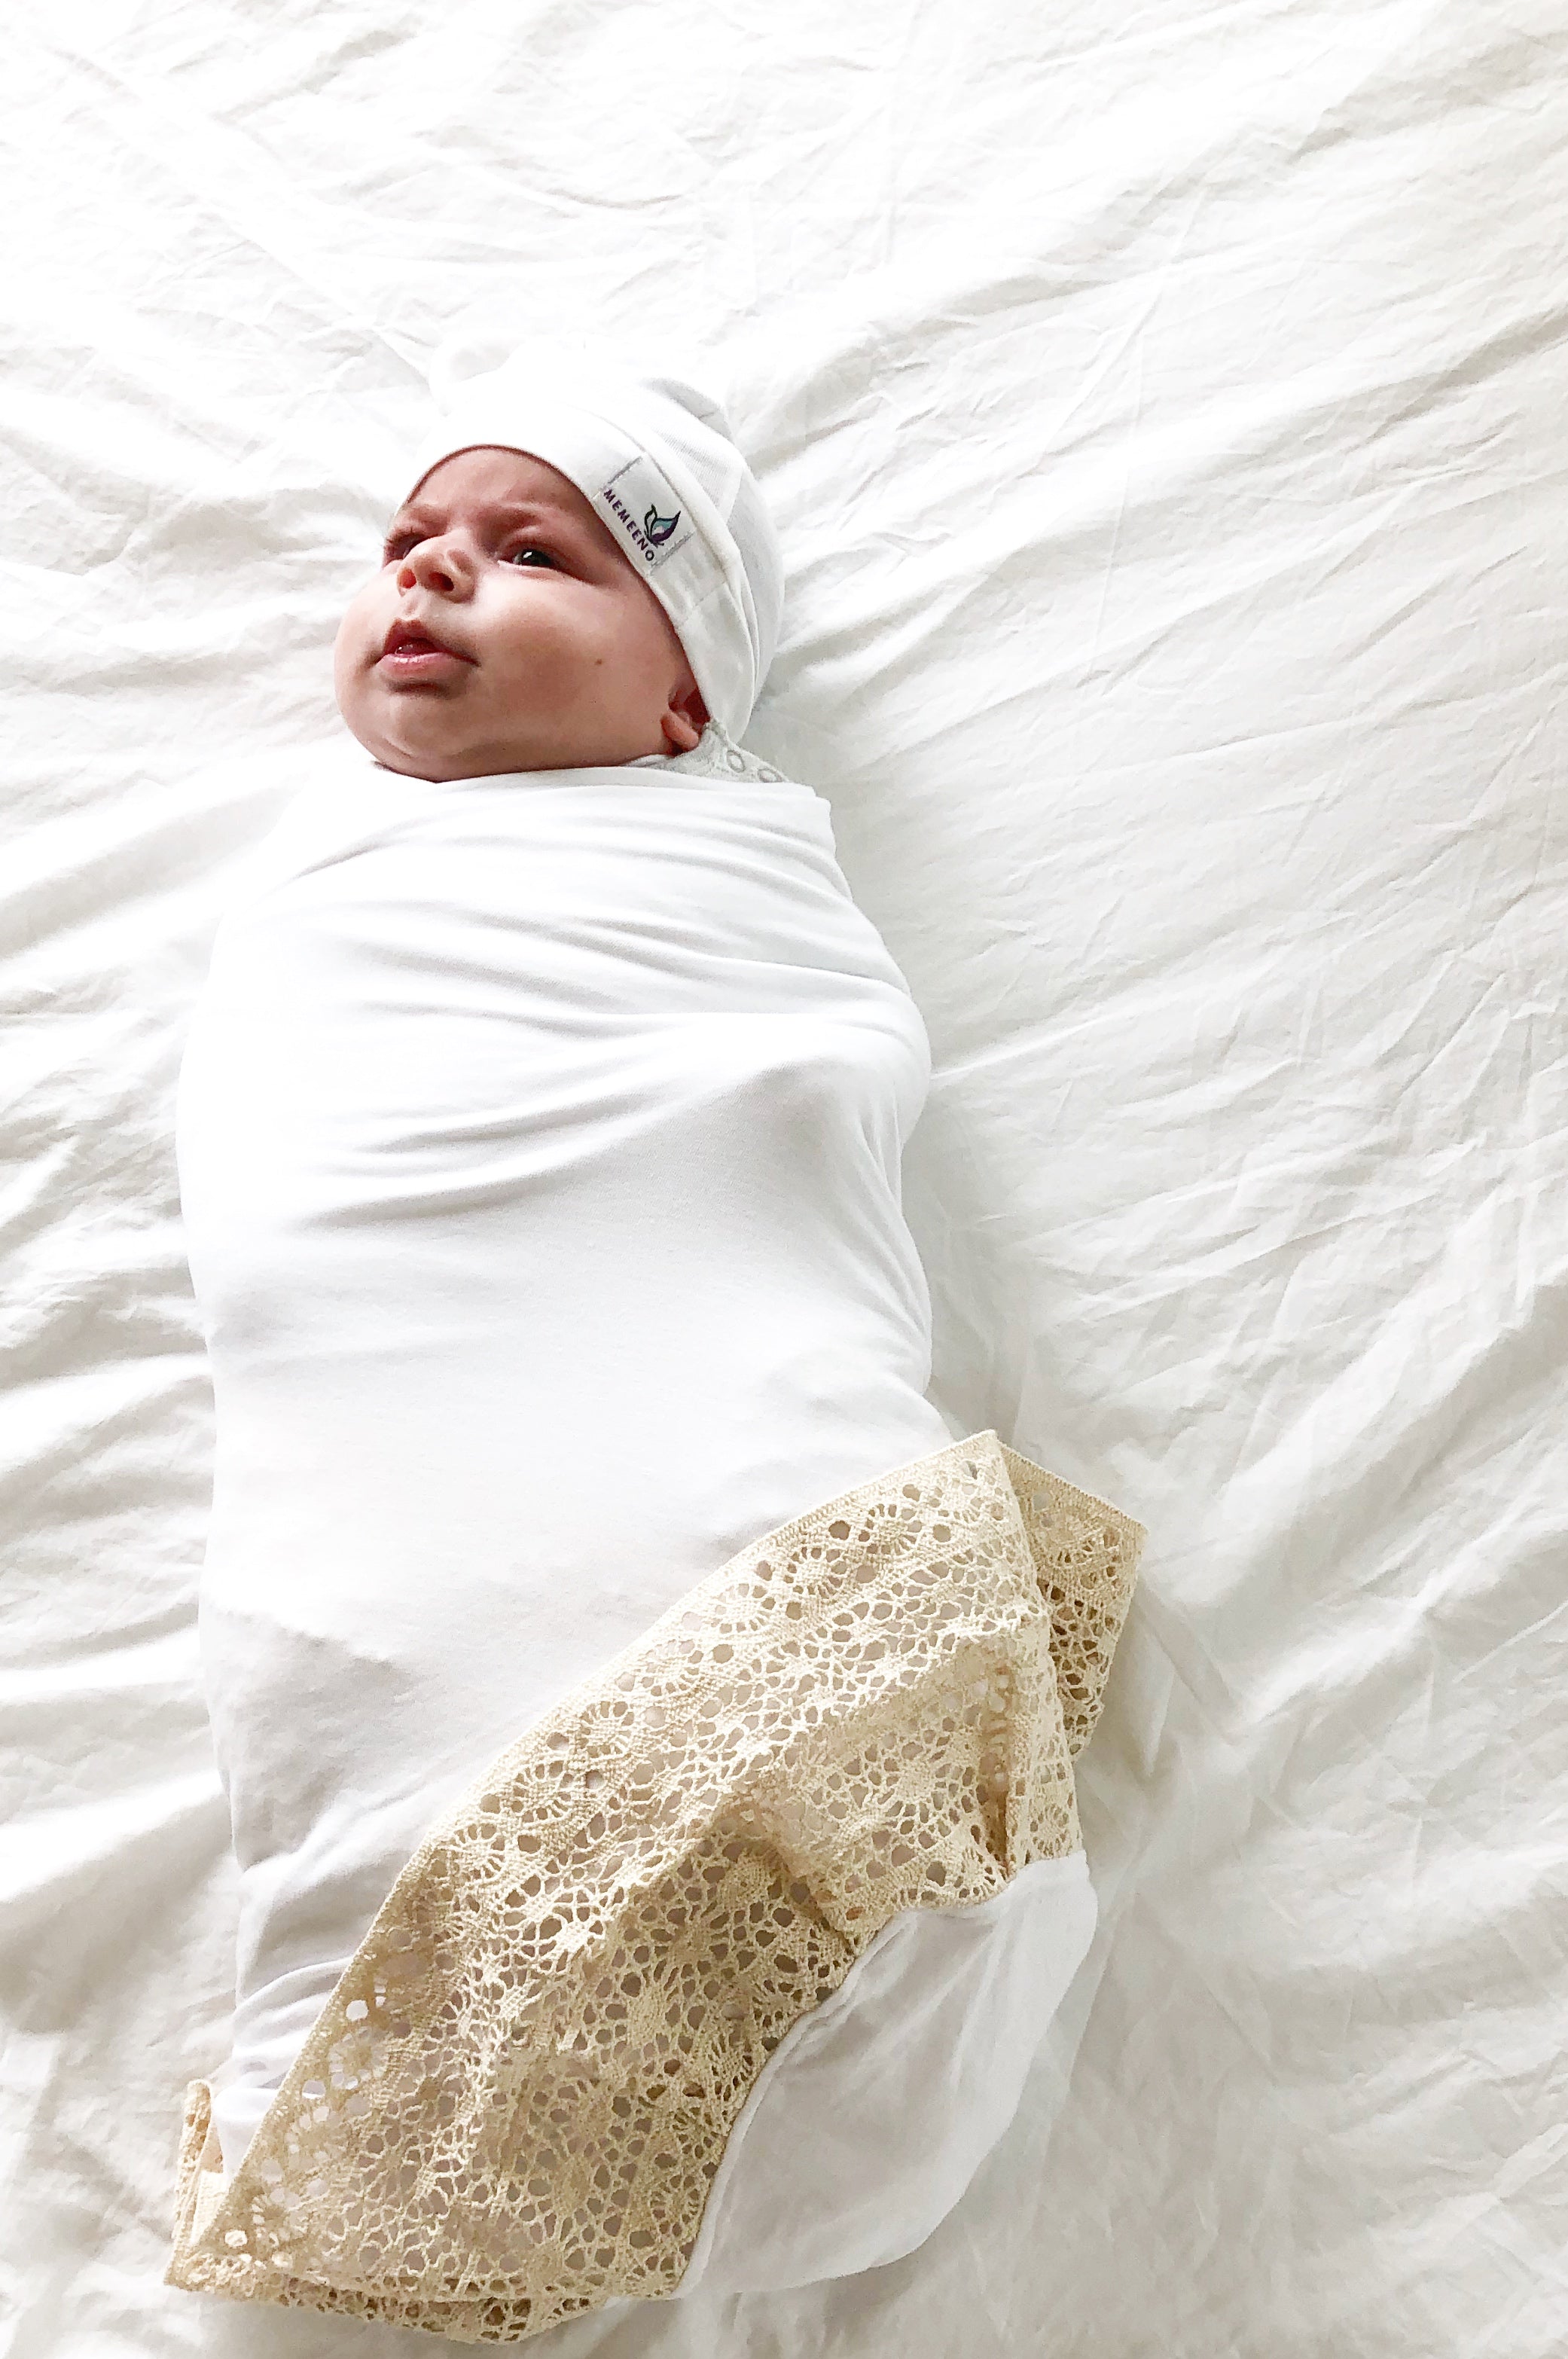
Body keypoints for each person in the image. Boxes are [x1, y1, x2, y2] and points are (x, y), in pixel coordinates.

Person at [165, 345, 1140, 2339]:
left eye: (533, 552)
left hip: (738, 1472)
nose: (430, 571)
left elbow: (803, 1096)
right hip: (387, 1488)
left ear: (685, 695)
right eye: (409, 539)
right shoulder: (331, 880)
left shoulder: (736, 881)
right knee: (398, 1699)